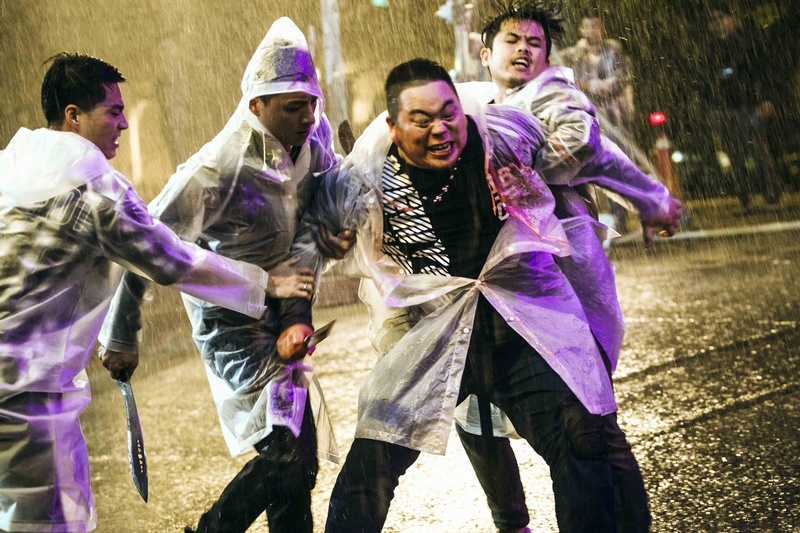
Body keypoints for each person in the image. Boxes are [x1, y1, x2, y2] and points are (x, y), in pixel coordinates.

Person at [306, 57, 625, 533]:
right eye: (421, 120)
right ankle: (509, 519)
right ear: (393, 128)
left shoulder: (504, 137)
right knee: (372, 464)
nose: (440, 130)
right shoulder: (363, 180)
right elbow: (305, 242)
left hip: (517, 332)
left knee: (582, 436)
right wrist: (297, 302)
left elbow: (584, 149)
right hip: (437, 335)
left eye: (447, 114)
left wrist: (648, 197)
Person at [0, 53, 274, 533]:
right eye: (113, 112)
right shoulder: (94, 188)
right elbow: (169, 259)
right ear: (73, 115)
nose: (124, 124)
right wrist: (266, 286)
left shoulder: (11, 170)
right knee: (49, 524)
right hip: (28, 393)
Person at [99, 18, 352, 533]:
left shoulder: (316, 139)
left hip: (288, 315)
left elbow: (326, 203)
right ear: (256, 105)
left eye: (311, 103)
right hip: (232, 328)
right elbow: (142, 245)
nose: (307, 116)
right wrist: (122, 334)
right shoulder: (216, 169)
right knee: (290, 454)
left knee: (293, 464)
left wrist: (337, 234)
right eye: (292, 107)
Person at [450, 2, 683, 531]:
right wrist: (649, 198)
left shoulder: (553, 93)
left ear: (548, 57)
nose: (524, 50)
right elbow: (606, 157)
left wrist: (505, 165)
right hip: (513, 277)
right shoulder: (485, 105)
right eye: (513, 41)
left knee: (590, 411)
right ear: (486, 54)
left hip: (565, 267)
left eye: (535, 43)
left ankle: (619, 522)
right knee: (493, 409)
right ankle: (517, 520)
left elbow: (585, 148)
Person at [696, 5, 781, 211]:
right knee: (734, 156)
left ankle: (771, 194)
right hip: (723, 109)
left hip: (749, 105)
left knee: (759, 151)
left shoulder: (747, 42)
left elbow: (763, 72)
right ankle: (744, 198)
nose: (718, 23)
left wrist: (766, 99)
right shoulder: (708, 49)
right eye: (713, 20)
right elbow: (703, 80)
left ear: (731, 19)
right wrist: (709, 107)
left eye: (721, 18)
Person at [561, 13, 635, 233]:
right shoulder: (575, 54)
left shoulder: (613, 51)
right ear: (581, 30)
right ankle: (587, 218)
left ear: (602, 28)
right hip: (586, 119)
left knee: (614, 167)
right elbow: (563, 73)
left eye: (596, 26)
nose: (592, 31)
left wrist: (599, 85)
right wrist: (588, 86)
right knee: (582, 167)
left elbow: (622, 78)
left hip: (614, 119)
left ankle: (619, 217)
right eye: (588, 27)